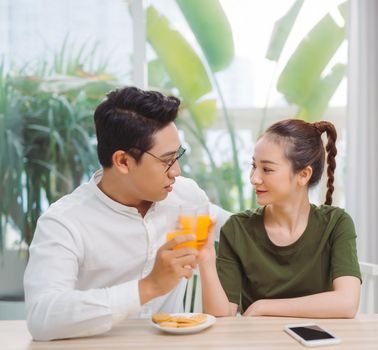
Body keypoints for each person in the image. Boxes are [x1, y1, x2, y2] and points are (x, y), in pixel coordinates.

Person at [23, 87, 230, 341]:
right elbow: (42, 317)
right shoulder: (64, 222)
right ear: (123, 161)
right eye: (166, 160)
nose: (176, 171)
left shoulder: (185, 196)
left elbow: (237, 227)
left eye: (177, 156)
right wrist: (149, 287)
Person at [198, 119, 361, 318]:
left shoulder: (336, 223)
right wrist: (206, 258)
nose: (254, 178)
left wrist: (263, 307)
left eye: (267, 169)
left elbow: (346, 303)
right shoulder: (238, 229)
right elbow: (223, 315)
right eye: (253, 166)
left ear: (303, 175)